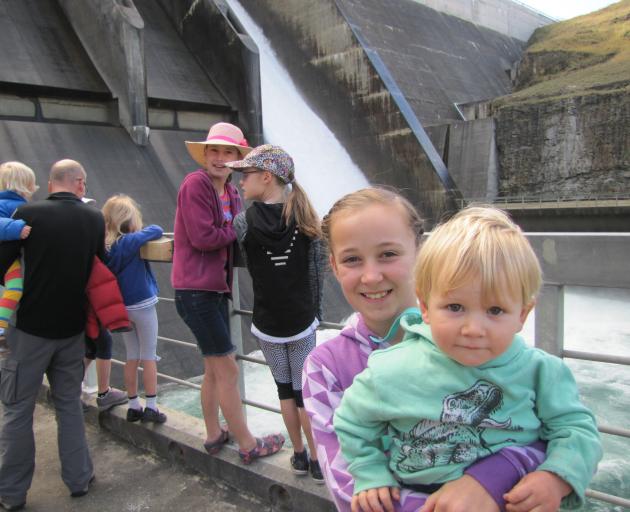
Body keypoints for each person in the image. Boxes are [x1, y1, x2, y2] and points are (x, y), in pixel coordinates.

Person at [302, 188, 567, 512]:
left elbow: (554, 432)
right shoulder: (325, 368)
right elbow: (351, 489)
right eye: (352, 259)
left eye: (388, 254)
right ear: (334, 266)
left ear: (421, 252)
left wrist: (493, 478)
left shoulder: (478, 341)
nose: (371, 276)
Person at [172, 122, 284, 464]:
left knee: (213, 369)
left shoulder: (233, 192)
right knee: (229, 370)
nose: (220, 158)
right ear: (205, 155)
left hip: (215, 290)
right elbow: (205, 238)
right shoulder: (196, 185)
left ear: (237, 159)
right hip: (195, 292)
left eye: (228, 153)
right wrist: (240, 225)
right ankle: (249, 444)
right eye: (214, 151)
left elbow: (236, 232)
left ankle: (213, 433)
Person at [0, 159, 103, 510]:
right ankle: (79, 479)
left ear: (49, 183)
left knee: (17, 410)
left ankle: (12, 494)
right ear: (79, 183)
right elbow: (99, 268)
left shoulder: (28, 214)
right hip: (72, 329)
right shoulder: (94, 219)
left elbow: (4, 262)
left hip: (29, 330)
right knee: (69, 407)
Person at [227, 144, 327, 481]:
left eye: (246, 175)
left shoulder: (243, 222)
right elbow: (316, 273)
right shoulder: (307, 218)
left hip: (266, 323)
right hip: (300, 322)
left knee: (284, 390)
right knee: (304, 394)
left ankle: (297, 455)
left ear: (266, 177)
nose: (241, 182)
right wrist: (316, 314)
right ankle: (316, 460)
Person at [102, 194, 165, 423]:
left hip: (122, 307)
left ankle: (132, 405)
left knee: (132, 356)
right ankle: (151, 406)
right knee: (149, 355)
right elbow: (156, 229)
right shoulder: (129, 241)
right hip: (143, 304)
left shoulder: (106, 246)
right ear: (128, 220)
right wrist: (139, 230)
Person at [0, 162, 37, 354]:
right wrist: (17, 229)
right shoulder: (9, 205)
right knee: (15, 288)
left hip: (11, 257)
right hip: (8, 258)